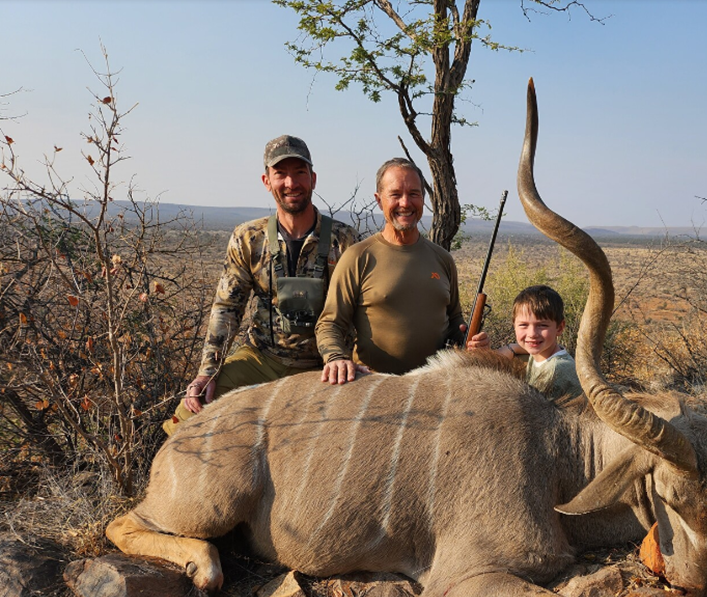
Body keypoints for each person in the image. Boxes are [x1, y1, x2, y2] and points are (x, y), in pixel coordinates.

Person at [164, 135, 358, 434]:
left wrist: (352, 360)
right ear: (267, 181)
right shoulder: (248, 237)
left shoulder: (344, 240)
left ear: (313, 179)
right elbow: (227, 308)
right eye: (281, 174)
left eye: (299, 173)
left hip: (324, 368)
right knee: (187, 417)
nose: (291, 183)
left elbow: (359, 311)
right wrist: (208, 372)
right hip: (261, 359)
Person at [316, 158, 488, 383]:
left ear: (423, 199)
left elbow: (455, 321)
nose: (405, 203)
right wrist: (336, 357)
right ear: (379, 200)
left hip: (435, 385)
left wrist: (473, 342)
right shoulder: (358, 257)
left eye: (414, 194)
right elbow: (329, 324)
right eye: (395, 194)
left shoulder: (442, 259)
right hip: (375, 387)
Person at [496, 285, 583, 401]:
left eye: (542, 325)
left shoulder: (556, 371)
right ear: (514, 326)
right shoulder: (544, 351)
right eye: (523, 325)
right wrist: (512, 348)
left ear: (560, 328)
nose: (532, 334)